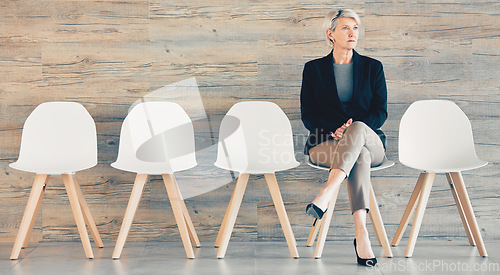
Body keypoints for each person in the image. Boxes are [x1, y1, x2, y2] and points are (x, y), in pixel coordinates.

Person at [300, 9, 388, 266]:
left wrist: (351, 129)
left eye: (356, 28)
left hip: (371, 141)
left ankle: (326, 193)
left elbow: (380, 112)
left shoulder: (373, 67)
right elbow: (308, 115)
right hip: (325, 142)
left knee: (358, 129)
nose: (352, 33)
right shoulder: (313, 69)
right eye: (345, 28)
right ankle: (361, 234)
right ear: (330, 34)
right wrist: (333, 129)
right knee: (357, 155)